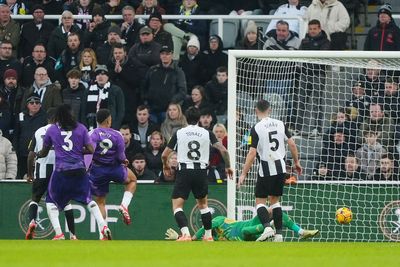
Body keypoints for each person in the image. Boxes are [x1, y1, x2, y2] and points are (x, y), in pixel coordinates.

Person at [36, 104, 112, 240]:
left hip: (61, 170)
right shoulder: (81, 128)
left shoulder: (52, 130)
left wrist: (39, 154)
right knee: (88, 200)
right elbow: (91, 150)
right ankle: (103, 226)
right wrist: (77, 151)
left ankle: (59, 233)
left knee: (50, 200)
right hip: (79, 169)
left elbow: (44, 151)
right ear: (71, 114)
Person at [161, 107, 233, 241]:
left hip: (184, 171)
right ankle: (208, 236)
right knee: (203, 205)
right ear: (199, 119)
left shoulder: (180, 132)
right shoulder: (207, 133)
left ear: (185, 118)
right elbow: (223, 150)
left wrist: (165, 165)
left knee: (177, 206)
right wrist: (228, 166)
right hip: (201, 171)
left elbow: (165, 154)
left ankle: (186, 234)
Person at [238, 99, 302, 242]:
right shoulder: (280, 124)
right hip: (281, 168)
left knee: (260, 202)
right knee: (275, 201)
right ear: (270, 110)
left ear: (256, 111)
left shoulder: (256, 128)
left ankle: (267, 227)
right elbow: (291, 143)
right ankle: (279, 235)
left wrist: (243, 173)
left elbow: (252, 153)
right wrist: (297, 162)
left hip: (266, 168)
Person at [25, 108, 76, 240]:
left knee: (35, 198)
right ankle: (73, 235)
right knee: (66, 202)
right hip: (60, 170)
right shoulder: (64, 132)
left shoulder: (38, 131)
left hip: (42, 169)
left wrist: (30, 173)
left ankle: (32, 222)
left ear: (47, 119)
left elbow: (31, 154)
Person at [88, 109, 137, 234]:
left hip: (98, 170)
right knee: (132, 180)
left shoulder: (92, 133)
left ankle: (102, 232)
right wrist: (124, 160)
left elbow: (90, 151)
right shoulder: (117, 134)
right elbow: (121, 156)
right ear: (108, 120)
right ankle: (124, 205)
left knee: (100, 201)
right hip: (114, 168)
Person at [165, 214, 319, 241]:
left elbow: (199, 233)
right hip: (246, 236)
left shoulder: (217, 220)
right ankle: (269, 228)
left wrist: (190, 237)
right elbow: (195, 241)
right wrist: (179, 238)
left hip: (247, 225)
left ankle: (301, 231)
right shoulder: (211, 239)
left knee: (275, 211)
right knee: (246, 234)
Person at [141, 45, 186, 124]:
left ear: (171, 55)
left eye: (167, 54)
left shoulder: (178, 72)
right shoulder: (153, 70)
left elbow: (182, 91)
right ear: (160, 55)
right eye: (163, 54)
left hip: (167, 111)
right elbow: (144, 86)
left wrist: (172, 102)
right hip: (151, 110)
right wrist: (146, 100)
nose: (164, 56)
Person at [13, 94, 47, 179]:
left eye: (37, 102)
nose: (34, 104)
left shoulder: (45, 117)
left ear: (40, 104)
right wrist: (15, 149)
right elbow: (16, 134)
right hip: (22, 152)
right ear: (27, 105)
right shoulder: (21, 115)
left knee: (36, 176)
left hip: (38, 153)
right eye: (32, 103)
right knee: (22, 176)